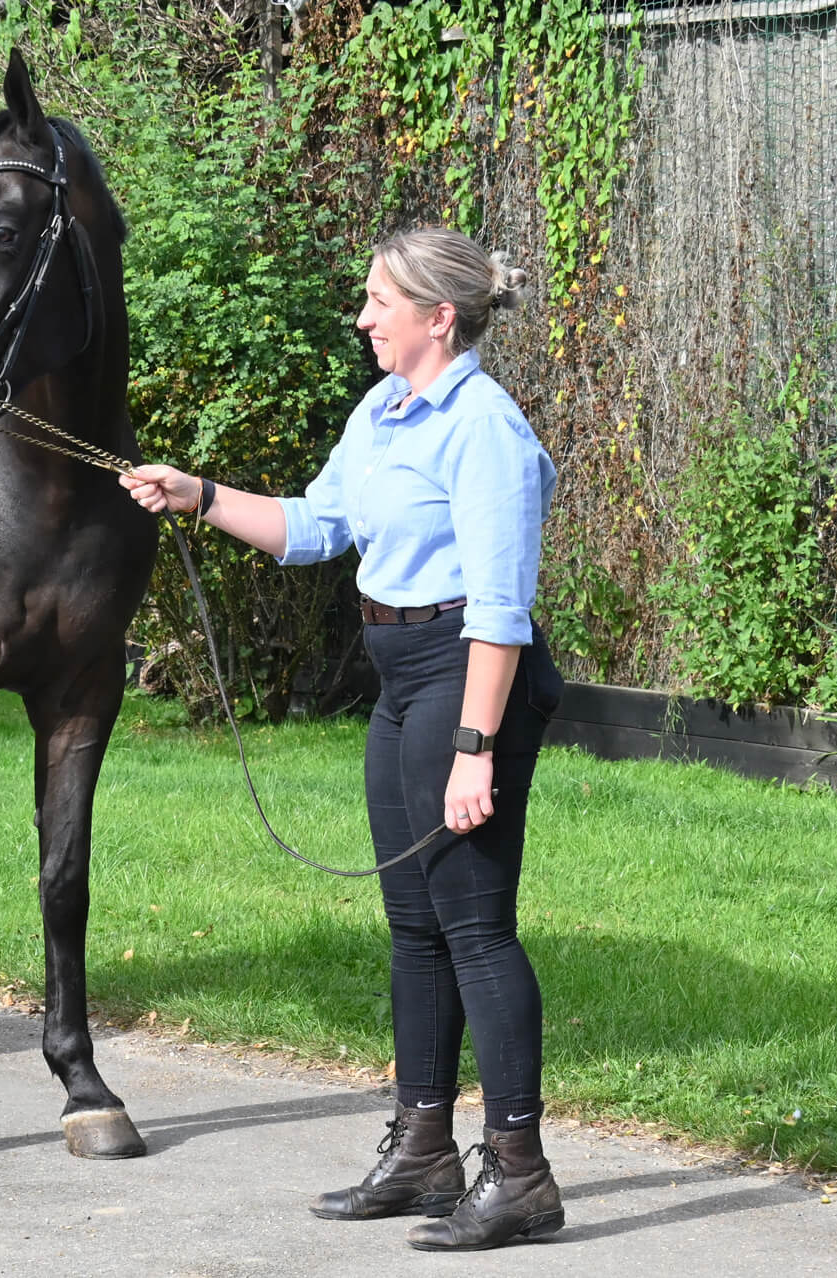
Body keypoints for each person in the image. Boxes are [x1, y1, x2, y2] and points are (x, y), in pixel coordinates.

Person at [122, 228, 562, 1251]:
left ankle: (522, 1173)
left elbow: (501, 608)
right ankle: (421, 1151)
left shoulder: (484, 430)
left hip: (466, 675)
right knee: (414, 926)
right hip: (399, 678)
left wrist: (474, 745)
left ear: (436, 317)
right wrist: (198, 494)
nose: (363, 317)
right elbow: (318, 526)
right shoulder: (383, 412)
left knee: (477, 929)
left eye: (378, 301)